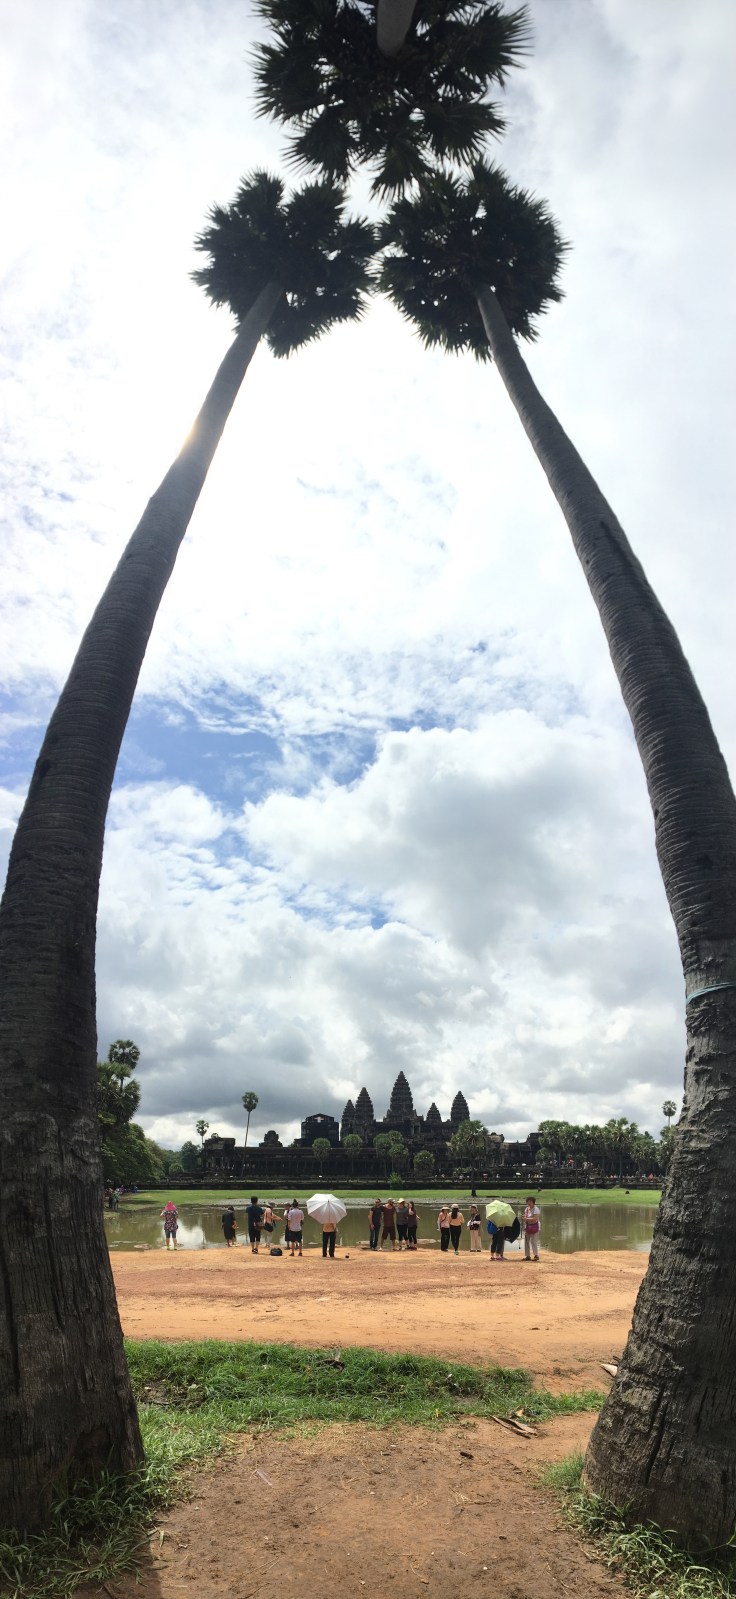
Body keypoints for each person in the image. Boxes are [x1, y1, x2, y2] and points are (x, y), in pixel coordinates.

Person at [523, 1196, 541, 1261]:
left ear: (533, 1202)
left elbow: (535, 1218)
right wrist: (524, 1218)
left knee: (533, 1241)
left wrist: (526, 1218)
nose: (529, 1203)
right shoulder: (526, 1209)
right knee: (526, 1241)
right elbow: (525, 1217)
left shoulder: (536, 1209)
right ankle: (528, 1256)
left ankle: (536, 1255)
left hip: (535, 1227)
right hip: (528, 1226)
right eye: (528, 1201)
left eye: (530, 1201)